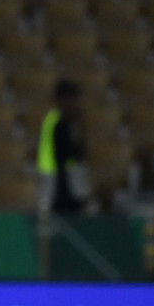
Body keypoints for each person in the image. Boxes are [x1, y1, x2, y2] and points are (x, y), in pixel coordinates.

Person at [38, 79, 86, 215]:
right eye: (72, 99)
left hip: (64, 181)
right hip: (55, 181)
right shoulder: (57, 122)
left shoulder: (68, 121)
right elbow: (66, 154)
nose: (75, 103)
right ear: (62, 99)